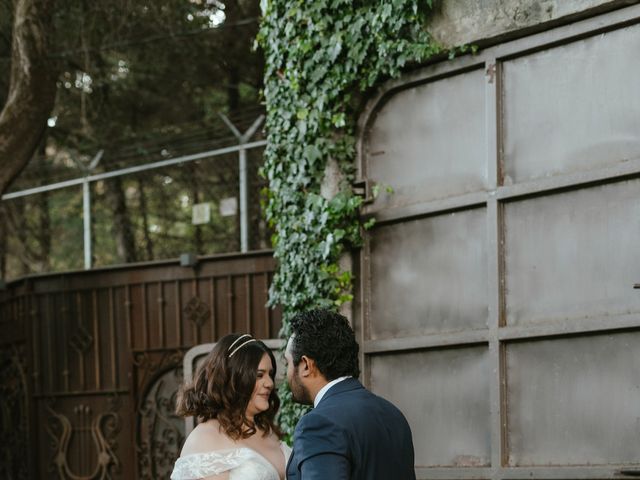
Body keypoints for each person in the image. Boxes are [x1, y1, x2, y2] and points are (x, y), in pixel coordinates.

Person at [284, 309, 416, 480]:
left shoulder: (318, 424)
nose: (285, 373)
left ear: (306, 365)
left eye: (286, 362)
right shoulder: (393, 414)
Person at [171, 333, 290, 480]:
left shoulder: (269, 431)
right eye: (259, 375)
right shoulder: (205, 438)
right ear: (234, 379)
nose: (270, 383)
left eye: (270, 374)